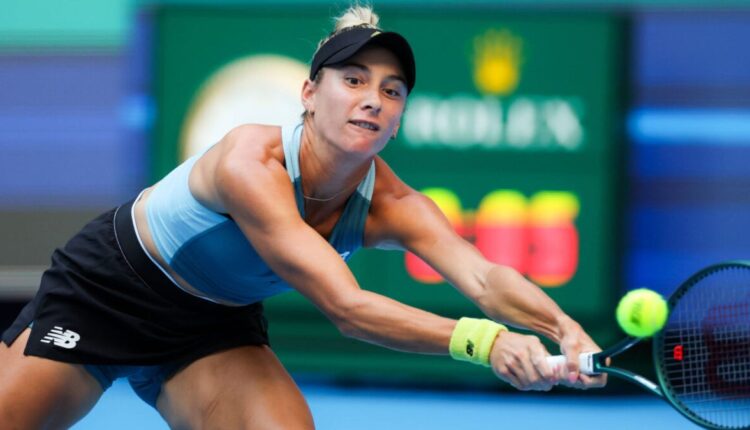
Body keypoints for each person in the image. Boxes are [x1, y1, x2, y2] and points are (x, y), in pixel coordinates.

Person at [0, 5, 605, 429]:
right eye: (353, 79)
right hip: (108, 292)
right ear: (310, 94)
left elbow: (483, 278)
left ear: (399, 119)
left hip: (211, 327)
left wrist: (563, 327)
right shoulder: (249, 162)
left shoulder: (396, 205)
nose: (372, 99)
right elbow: (347, 309)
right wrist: (485, 341)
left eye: (391, 90)